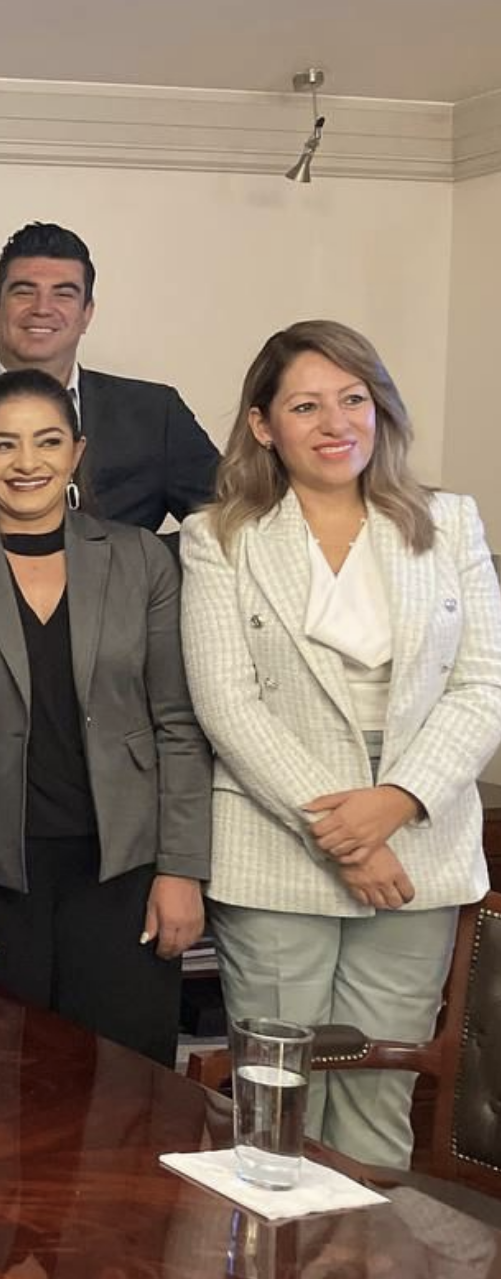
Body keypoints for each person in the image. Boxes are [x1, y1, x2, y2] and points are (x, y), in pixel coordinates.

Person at [179, 321, 501, 1166]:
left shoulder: (449, 523)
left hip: (418, 840)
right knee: (278, 1105)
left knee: (377, 1101)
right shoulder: (220, 536)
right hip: (278, 843)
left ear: (380, 408)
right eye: (306, 406)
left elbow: (483, 686)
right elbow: (227, 704)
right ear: (263, 425)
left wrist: (395, 803)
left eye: (353, 399)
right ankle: (278, 1255)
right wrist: (346, 835)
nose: (335, 423)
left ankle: (367, 1258)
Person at [0, 369, 210, 1063]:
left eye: (48, 441)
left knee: (129, 1094)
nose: (26, 462)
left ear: (77, 452)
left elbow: (179, 725)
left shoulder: (141, 560)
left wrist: (182, 870)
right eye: (4, 444)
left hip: (125, 872)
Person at [0, 221, 219, 545]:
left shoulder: (155, 415)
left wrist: (145, 563)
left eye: (63, 294)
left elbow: (232, 520)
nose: (42, 308)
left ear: (87, 314)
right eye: (24, 292)